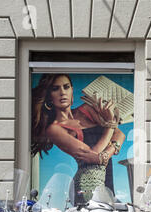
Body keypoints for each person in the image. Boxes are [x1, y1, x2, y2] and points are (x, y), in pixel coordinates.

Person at [31, 74, 126, 203]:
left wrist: (103, 157)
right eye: (55, 89)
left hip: (107, 178)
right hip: (87, 184)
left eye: (66, 87)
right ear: (49, 96)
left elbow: (120, 135)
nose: (62, 93)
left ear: (72, 90)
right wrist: (109, 125)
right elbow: (92, 153)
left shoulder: (86, 109)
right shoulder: (54, 129)